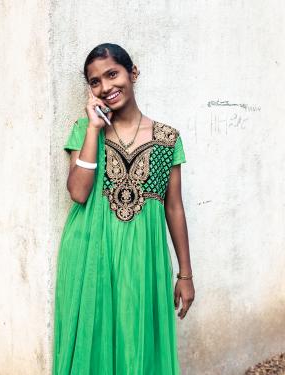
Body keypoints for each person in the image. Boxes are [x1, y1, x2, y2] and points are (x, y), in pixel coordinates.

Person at [53, 43, 195, 375]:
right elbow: (78, 192)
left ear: (133, 74)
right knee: (94, 338)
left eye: (112, 74)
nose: (106, 87)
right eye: (95, 81)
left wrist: (185, 274)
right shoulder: (85, 129)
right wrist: (93, 128)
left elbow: (174, 207)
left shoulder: (167, 138)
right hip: (90, 253)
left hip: (143, 258)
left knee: (136, 340)